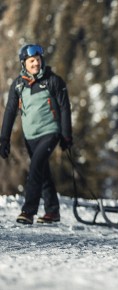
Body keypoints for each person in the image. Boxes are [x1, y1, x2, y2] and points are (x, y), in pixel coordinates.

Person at [0, 44, 72, 225]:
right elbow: (10, 112)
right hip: (30, 135)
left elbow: (64, 108)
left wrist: (66, 135)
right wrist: (4, 139)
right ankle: (52, 211)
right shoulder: (18, 85)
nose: (36, 63)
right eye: (32, 61)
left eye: (38, 60)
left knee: (35, 167)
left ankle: (28, 211)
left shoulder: (53, 81)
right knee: (42, 171)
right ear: (24, 63)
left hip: (50, 131)